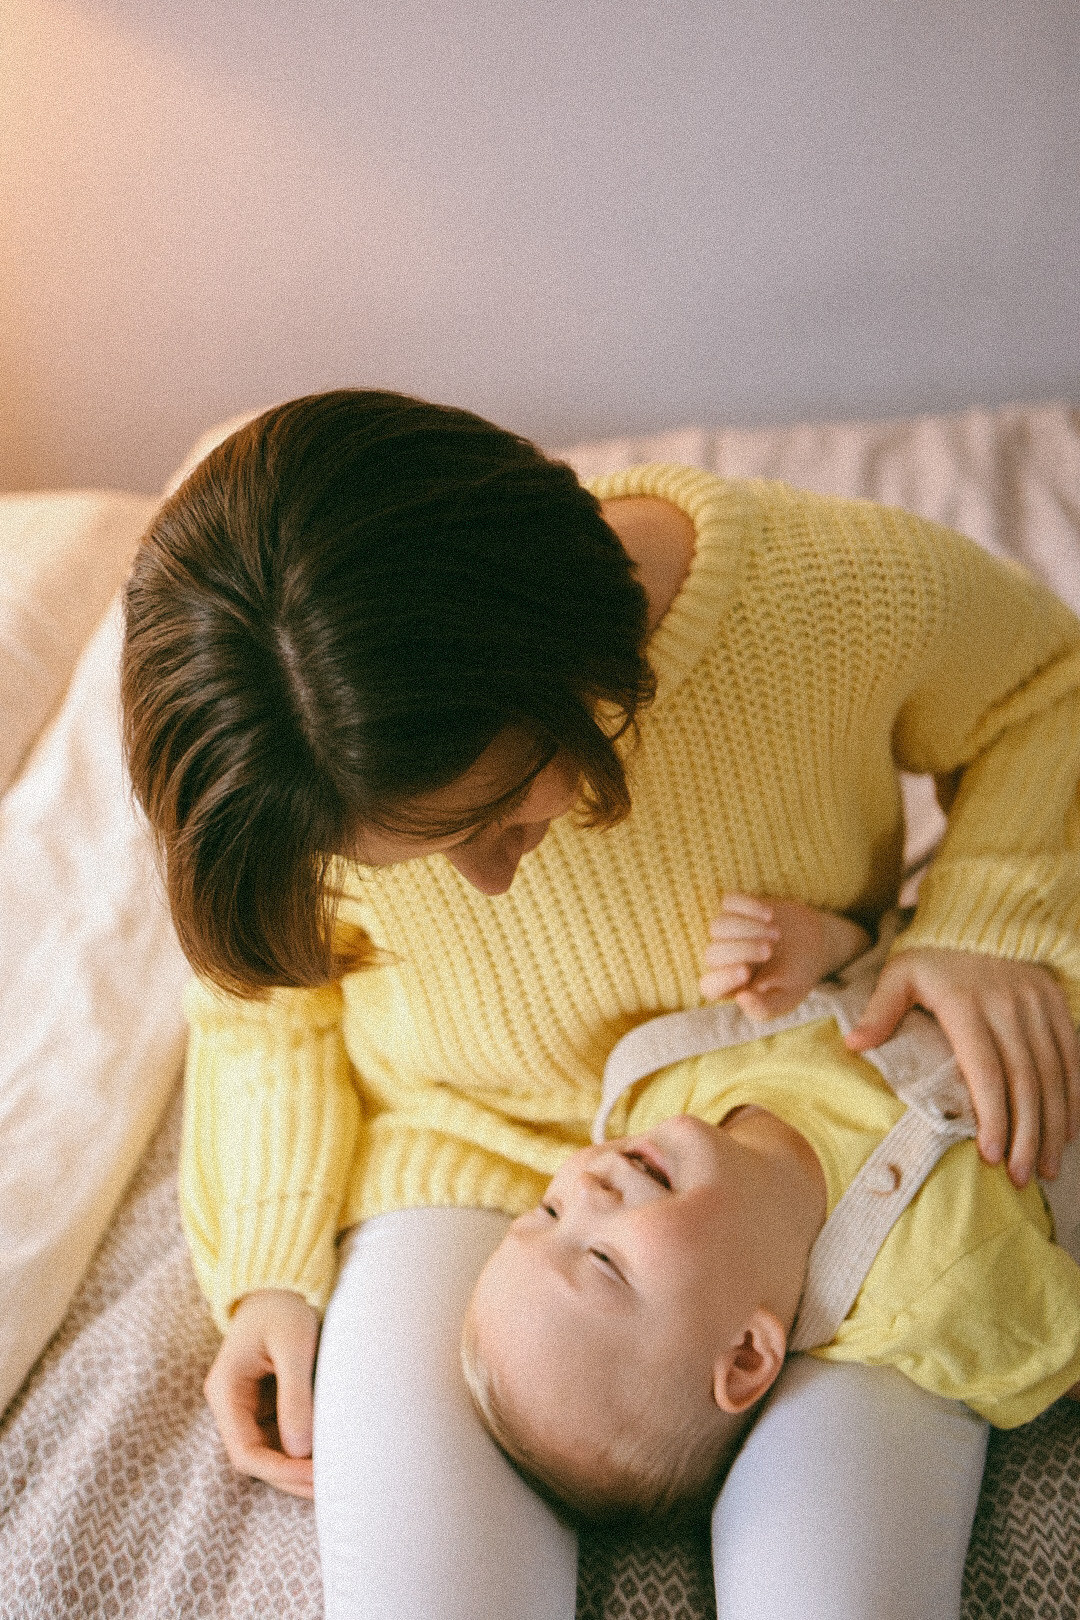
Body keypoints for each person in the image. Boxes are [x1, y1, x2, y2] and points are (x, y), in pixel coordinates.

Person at [120, 389, 1080, 1620]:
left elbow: (1044, 688)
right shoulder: (286, 751)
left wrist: (981, 924)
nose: (486, 881)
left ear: (566, 653)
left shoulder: (827, 596)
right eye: (414, 854)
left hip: (798, 1122)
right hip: (456, 1148)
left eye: (493, 815)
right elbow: (262, 1004)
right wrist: (269, 1271)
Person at [461, 892, 1080, 1525]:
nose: (589, 1189)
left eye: (549, 1210)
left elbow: (887, 945)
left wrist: (827, 945)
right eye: (603, 1260)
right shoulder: (936, 1289)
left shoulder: (669, 1080)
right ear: (747, 1356)